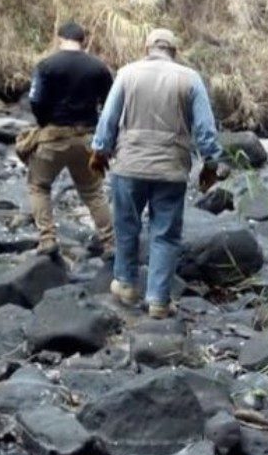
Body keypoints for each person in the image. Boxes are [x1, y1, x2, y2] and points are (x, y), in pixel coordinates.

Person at [90, 28, 225, 319]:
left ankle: (125, 284)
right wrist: (210, 164)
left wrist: (100, 152)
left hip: (130, 164)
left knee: (127, 225)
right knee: (165, 235)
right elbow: (204, 128)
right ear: (174, 51)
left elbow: (109, 118)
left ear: (147, 48)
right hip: (172, 168)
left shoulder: (128, 73)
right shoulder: (190, 78)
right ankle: (159, 302)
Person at [25, 21, 115, 259]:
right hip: (87, 138)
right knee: (94, 192)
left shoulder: (46, 65)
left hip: (53, 136)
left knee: (39, 186)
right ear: (82, 41)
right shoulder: (98, 67)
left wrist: (44, 121)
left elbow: (35, 100)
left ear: (60, 38)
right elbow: (110, 104)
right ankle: (110, 243)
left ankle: (47, 238)